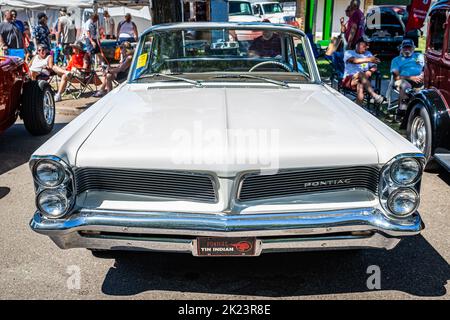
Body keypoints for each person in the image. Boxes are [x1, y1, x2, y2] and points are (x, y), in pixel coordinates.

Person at [343, 37, 384, 105]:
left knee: (361, 86)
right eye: (365, 45)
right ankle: (374, 95)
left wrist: (370, 71)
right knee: (360, 74)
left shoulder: (368, 53)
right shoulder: (349, 52)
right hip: (349, 79)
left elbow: (374, 65)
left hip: (363, 80)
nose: (367, 47)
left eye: (368, 45)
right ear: (357, 45)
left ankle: (357, 110)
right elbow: (354, 61)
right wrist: (369, 59)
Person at [391, 39, 425, 116]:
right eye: (405, 48)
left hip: (420, 79)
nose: (407, 49)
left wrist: (422, 75)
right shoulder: (396, 60)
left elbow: (426, 68)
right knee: (404, 86)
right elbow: (396, 77)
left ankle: (422, 112)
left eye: (409, 47)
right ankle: (401, 111)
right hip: (404, 80)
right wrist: (411, 78)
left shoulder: (419, 56)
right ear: (401, 48)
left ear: (413, 48)